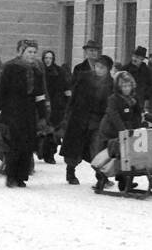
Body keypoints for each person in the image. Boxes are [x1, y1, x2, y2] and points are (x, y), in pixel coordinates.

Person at [0, 39, 46, 188]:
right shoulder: (10, 67)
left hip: (29, 112)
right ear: (21, 52)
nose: (32, 55)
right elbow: (2, 90)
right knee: (14, 144)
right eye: (29, 52)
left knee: (27, 145)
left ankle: (22, 176)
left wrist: (42, 115)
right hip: (12, 111)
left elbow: (40, 94)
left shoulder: (37, 70)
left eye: (34, 52)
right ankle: (11, 175)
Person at [61, 53, 113, 185]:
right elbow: (74, 98)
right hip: (80, 118)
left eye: (102, 68)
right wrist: (69, 114)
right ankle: (70, 172)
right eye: (97, 66)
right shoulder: (84, 78)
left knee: (97, 148)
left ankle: (101, 176)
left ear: (108, 70)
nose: (99, 70)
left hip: (98, 120)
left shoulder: (110, 84)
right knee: (75, 148)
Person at [98, 69, 144, 192]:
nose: (126, 88)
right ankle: (104, 177)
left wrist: (137, 128)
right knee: (115, 155)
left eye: (128, 85)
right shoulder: (114, 99)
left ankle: (126, 180)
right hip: (111, 131)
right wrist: (123, 131)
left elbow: (137, 114)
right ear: (119, 86)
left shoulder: (133, 99)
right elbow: (114, 116)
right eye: (124, 86)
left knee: (130, 154)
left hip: (128, 130)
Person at [38, 49, 68, 164]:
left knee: (54, 130)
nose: (48, 60)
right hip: (44, 103)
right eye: (46, 58)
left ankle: (50, 153)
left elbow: (65, 86)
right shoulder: (40, 71)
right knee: (45, 130)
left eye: (50, 58)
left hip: (57, 105)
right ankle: (44, 152)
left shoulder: (59, 71)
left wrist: (66, 99)